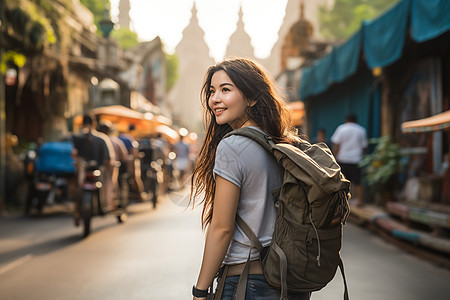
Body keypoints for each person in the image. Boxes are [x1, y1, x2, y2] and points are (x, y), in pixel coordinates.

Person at [190, 58, 311, 300]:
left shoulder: (232, 147)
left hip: (247, 282)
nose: (215, 99)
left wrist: (200, 291)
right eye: (212, 91)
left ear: (252, 97)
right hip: (289, 282)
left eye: (226, 90)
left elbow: (222, 228)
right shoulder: (281, 143)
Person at [72, 114, 116, 215]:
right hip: (98, 169)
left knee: (77, 186)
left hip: (84, 169)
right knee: (107, 183)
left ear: (82, 124)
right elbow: (108, 159)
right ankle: (106, 204)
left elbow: (74, 154)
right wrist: (111, 175)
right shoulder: (102, 138)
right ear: (94, 124)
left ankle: (77, 213)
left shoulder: (77, 137)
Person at [331, 113, 368, 207]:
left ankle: (342, 202)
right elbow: (364, 147)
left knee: (342, 181)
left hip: (343, 159)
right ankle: (360, 201)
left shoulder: (341, 128)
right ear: (356, 120)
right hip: (356, 159)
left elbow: (336, 144)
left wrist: (335, 157)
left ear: (346, 120)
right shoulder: (361, 130)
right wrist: (362, 157)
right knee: (358, 181)